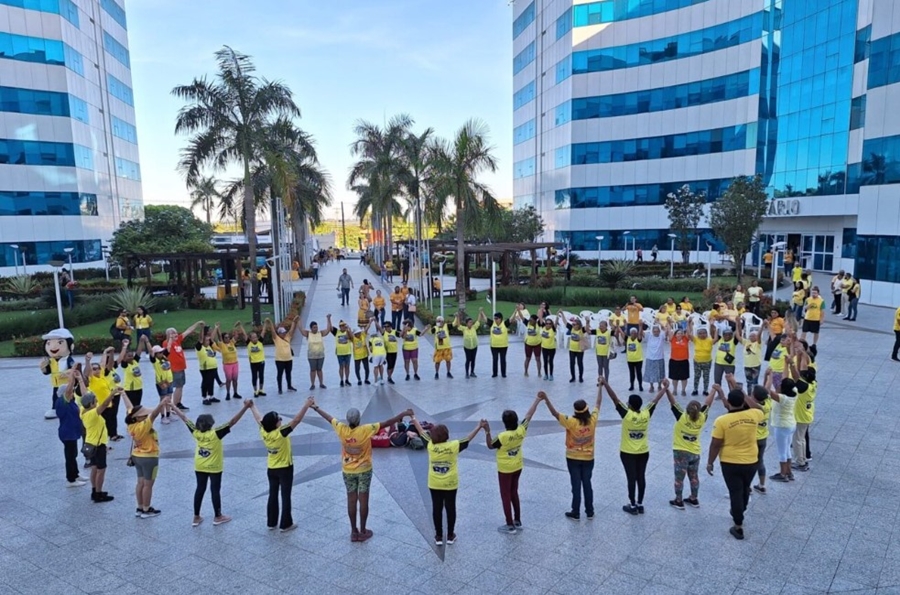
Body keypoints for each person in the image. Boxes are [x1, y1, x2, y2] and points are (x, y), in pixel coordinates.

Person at [308, 400, 412, 541]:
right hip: (364, 470)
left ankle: (353, 531)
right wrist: (404, 413)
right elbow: (388, 422)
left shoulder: (342, 429)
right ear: (359, 420)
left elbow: (328, 418)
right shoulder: (366, 429)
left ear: (347, 420)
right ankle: (363, 530)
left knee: (351, 499)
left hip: (348, 470)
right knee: (364, 500)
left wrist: (316, 408)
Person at [172, 400, 251, 525]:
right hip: (214, 467)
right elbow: (232, 422)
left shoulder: (195, 432)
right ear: (210, 425)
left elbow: (184, 418)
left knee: (200, 489)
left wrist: (172, 406)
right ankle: (218, 516)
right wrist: (245, 408)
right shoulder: (216, 434)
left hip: (200, 465)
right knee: (215, 490)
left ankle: (196, 516)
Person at [411, 415, 485, 546]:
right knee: (451, 508)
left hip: (434, 483)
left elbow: (421, 432)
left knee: (436, 508)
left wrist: (413, 417)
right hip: (450, 483)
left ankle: (438, 536)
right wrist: (479, 426)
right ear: (446, 436)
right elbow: (467, 439)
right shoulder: (453, 446)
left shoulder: (430, 446)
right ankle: (450, 535)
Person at [706, 386, 765, 540]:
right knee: (745, 487)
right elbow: (760, 409)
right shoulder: (754, 415)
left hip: (730, 462)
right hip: (751, 460)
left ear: (729, 403)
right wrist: (744, 394)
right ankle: (741, 509)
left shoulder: (722, 421)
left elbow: (715, 444)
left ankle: (738, 524)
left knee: (735, 491)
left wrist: (710, 462)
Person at [604, 377, 667, 514]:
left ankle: (632, 504)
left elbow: (614, 398)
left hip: (627, 452)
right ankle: (640, 503)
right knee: (641, 476)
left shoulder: (626, 415)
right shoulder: (646, 414)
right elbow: (655, 400)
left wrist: (605, 383)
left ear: (631, 405)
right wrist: (664, 388)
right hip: (643, 452)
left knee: (631, 477)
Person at [249, 398, 313, 532]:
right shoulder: (280, 433)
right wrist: (306, 405)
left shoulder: (264, 431)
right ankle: (286, 523)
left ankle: (271, 522)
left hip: (271, 468)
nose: (281, 420)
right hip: (285, 468)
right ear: (275, 424)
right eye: (279, 419)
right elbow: (296, 421)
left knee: (273, 494)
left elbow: (258, 418)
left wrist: (252, 406)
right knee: (285, 495)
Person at [543, 383, 603, 520]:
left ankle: (575, 511)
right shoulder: (592, 420)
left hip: (573, 457)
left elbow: (555, 413)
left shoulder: (570, 421)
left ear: (575, 411)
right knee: (587, 483)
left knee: (575, 484)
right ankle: (590, 511)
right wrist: (601, 387)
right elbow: (598, 403)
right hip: (589, 458)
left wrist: (546, 398)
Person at [485, 393, 543, 533]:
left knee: (505, 495)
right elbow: (529, 415)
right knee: (514, 492)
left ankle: (509, 524)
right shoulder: (521, 430)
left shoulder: (502, 437)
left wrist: (487, 431)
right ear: (516, 420)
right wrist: (537, 400)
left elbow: (490, 445)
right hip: (517, 466)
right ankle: (517, 519)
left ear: (504, 423)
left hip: (505, 469)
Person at [666, 383, 717, 510]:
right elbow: (708, 404)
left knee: (679, 478)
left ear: (687, 410)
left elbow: (673, 402)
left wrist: (667, 389)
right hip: (695, 452)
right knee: (694, 476)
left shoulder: (681, 417)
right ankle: (694, 499)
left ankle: (678, 500)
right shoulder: (702, 417)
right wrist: (713, 390)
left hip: (681, 452)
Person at [124, 394, 169, 518]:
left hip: (136, 456)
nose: (146, 416)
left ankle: (139, 507)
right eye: (144, 415)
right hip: (149, 457)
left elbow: (129, 407)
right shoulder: (144, 426)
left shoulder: (131, 424)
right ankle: (146, 509)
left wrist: (123, 393)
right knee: (148, 485)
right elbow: (154, 415)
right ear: (138, 417)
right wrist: (162, 404)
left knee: (140, 483)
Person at [80, 387, 116, 502]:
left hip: (90, 444)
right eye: (96, 401)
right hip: (97, 446)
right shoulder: (92, 414)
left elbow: (85, 394)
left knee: (94, 469)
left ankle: (94, 490)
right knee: (101, 470)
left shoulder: (83, 410)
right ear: (91, 404)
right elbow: (105, 404)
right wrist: (113, 393)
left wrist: (80, 380)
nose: (97, 402)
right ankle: (99, 493)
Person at [765, 370, 799, 482]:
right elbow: (786, 379)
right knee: (787, 449)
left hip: (782, 426)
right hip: (791, 424)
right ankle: (789, 472)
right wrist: (786, 364)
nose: (778, 385)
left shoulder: (782, 398)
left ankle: (783, 473)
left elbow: (767, 391)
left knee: (782, 451)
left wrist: (769, 376)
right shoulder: (794, 392)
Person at [164, 320, 205, 411]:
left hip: (181, 367)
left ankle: (178, 402)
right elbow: (168, 348)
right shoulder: (166, 343)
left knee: (181, 386)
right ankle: (174, 406)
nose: (175, 334)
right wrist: (170, 338)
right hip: (175, 368)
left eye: (175, 333)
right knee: (178, 386)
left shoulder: (178, 340)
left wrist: (197, 323)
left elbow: (188, 331)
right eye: (172, 333)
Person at [59, 368, 87, 487]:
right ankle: (70, 479)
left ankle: (75, 474)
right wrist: (72, 375)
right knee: (70, 456)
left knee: (73, 454)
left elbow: (80, 393)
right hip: (67, 433)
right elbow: (70, 388)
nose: (72, 393)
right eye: (70, 392)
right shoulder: (62, 402)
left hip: (72, 432)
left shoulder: (71, 402)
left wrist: (79, 379)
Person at [791, 363, 816, 473]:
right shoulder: (814, 384)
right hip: (807, 415)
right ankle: (804, 458)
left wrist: (791, 364)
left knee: (798, 440)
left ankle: (800, 462)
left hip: (801, 417)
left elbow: (796, 377)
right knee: (802, 439)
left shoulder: (804, 388)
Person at [299, 315, 332, 391]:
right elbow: (301, 330)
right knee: (313, 370)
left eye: (316, 327)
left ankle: (321, 383)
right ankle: (313, 384)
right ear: (311, 328)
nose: (316, 328)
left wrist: (328, 319)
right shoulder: (308, 333)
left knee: (319, 369)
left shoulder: (320, 333)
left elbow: (328, 330)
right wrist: (299, 321)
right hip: (312, 356)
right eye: (314, 327)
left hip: (320, 355)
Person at [214, 322, 245, 401]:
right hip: (227, 365)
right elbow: (220, 337)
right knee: (229, 379)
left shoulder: (232, 343)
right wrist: (217, 328)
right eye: (226, 338)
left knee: (235, 379)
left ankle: (235, 393)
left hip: (235, 363)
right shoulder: (222, 345)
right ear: (223, 339)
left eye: (228, 337)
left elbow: (236, 336)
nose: (228, 339)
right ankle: (228, 393)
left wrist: (236, 327)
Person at [455, 310, 486, 379]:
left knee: (473, 360)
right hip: (467, 347)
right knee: (468, 360)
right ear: (466, 323)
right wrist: (458, 317)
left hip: (474, 346)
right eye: (469, 322)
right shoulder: (464, 329)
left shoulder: (474, 327)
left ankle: (472, 372)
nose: (471, 323)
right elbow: (458, 325)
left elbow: (478, 321)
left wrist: (480, 313)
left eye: (471, 322)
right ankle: (467, 373)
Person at [196, 329, 220, 406]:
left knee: (211, 382)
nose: (208, 342)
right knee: (205, 382)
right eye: (206, 340)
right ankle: (204, 397)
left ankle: (211, 396)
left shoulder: (209, 347)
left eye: (208, 341)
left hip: (213, 367)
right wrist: (202, 329)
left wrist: (215, 328)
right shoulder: (200, 347)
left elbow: (211, 337)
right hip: (205, 368)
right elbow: (200, 338)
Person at [117, 339, 143, 408]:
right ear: (124, 357)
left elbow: (139, 352)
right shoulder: (125, 365)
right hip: (130, 390)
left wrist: (141, 341)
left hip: (139, 388)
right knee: (130, 408)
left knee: (137, 407)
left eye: (132, 355)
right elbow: (122, 355)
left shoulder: (135, 362)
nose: (131, 357)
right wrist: (124, 346)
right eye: (129, 356)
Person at [689, 320, 713, 396]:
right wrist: (689, 323)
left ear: (706, 333)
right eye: (700, 333)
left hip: (707, 361)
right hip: (697, 361)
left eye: (704, 333)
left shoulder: (710, 340)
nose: (702, 334)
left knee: (706, 376)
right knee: (697, 376)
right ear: (697, 334)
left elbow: (715, 336)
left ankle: (705, 390)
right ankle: (695, 389)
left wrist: (713, 327)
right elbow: (689, 334)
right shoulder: (696, 339)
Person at [563, 314, 588, 383]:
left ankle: (580, 377)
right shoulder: (572, 329)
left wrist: (587, 321)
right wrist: (562, 314)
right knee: (572, 363)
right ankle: (573, 377)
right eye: (573, 324)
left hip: (579, 349)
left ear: (579, 325)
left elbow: (587, 328)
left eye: (575, 324)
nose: (573, 325)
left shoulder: (581, 330)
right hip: (572, 349)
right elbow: (565, 322)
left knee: (580, 363)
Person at [489, 311, 514, 378]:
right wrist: (481, 312)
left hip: (503, 346)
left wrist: (516, 310)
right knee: (495, 359)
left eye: (497, 318)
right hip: (494, 346)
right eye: (494, 318)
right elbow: (485, 319)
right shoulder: (492, 323)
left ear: (500, 319)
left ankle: (503, 373)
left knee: (503, 360)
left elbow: (511, 319)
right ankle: (495, 373)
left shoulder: (505, 324)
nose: (495, 320)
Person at [245, 324, 268, 397]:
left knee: (261, 375)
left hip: (261, 361)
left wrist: (265, 324)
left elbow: (263, 332)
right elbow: (244, 334)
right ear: (250, 339)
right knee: (254, 376)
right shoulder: (249, 343)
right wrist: (240, 326)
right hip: (253, 363)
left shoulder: (260, 342)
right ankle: (255, 391)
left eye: (256, 337)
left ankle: (261, 390)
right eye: (253, 338)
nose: (255, 339)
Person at [643, 324, 666, 392]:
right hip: (650, 358)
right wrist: (641, 325)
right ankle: (651, 386)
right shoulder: (649, 336)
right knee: (650, 373)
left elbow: (666, 330)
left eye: (657, 331)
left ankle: (659, 386)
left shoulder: (661, 336)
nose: (656, 332)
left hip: (659, 358)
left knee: (659, 373)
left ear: (659, 331)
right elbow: (641, 333)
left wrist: (661, 324)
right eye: (654, 331)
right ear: (652, 331)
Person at [668, 326, 690, 396]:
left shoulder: (685, 339)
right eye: (678, 333)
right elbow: (669, 331)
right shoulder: (673, 339)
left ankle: (683, 390)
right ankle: (675, 390)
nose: (680, 334)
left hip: (684, 361)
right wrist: (669, 323)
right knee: (675, 377)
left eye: (681, 333)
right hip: (674, 361)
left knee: (684, 377)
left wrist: (688, 323)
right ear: (675, 334)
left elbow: (689, 331)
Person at [520, 313, 543, 377]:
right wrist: (518, 310)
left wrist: (541, 310)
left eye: (532, 320)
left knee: (538, 359)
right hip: (528, 344)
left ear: (535, 321)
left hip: (537, 344)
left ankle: (539, 372)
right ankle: (526, 371)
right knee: (527, 358)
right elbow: (522, 317)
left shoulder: (538, 324)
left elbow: (540, 317)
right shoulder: (528, 323)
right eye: (529, 320)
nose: (530, 321)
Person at [333, 319, 354, 387]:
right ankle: (341, 380)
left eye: (343, 325)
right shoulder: (337, 332)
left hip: (347, 352)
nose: (343, 327)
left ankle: (347, 379)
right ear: (339, 326)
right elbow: (330, 328)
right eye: (341, 326)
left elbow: (351, 338)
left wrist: (349, 329)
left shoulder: (347, 331)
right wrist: (329, 319)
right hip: (340, 353)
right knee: (341, 367)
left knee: (347, 367)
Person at [625, 326, 645, 392]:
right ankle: (632, 385)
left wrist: (640, 325)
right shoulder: (627, 339)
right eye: (632, 333)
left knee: (639, 373)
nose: (633, 334)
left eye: (634, 333)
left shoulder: (638, 339)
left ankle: (640, 385)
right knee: (631, 373)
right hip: (630, 360)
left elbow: (640, 333)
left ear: (636, 334)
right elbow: (622, 333)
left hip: (638, 359)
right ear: (630, 334)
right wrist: (619, 326)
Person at [539, 314, 557, 381]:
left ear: (551, 324)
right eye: (547, 323)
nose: (548, 325)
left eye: (549, 324)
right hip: (544, 348)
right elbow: (540, 317)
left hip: (552, 348)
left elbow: (556, 323)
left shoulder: (553, 329)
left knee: (551, 361)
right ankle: (546, 374)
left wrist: (558, 315)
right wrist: (541, 310)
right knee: (545, 361)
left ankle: (551, 375)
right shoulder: (543, 328)